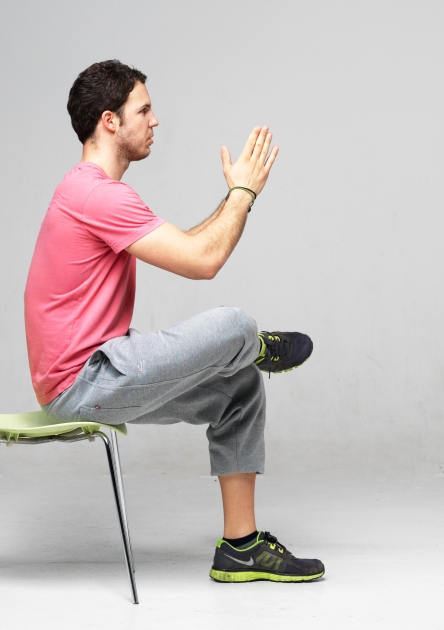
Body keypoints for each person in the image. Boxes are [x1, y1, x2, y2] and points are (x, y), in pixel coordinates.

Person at [24, 60, 324, 583]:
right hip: (86, 379)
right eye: (143, 110)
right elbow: (203, 262)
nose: (155, 120)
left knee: (240, 387)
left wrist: (234, 198)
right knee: (233, 325)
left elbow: (188, 243)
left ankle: (241, 547)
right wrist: (244, 195)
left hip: (99, 369)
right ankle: (254, 344)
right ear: (110, 121)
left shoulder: (89, 191)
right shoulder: (97, 194)